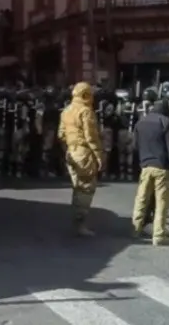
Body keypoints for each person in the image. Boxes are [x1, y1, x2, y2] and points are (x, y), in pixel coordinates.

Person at [131, 99, 169, 246]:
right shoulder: (165, 122)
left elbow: (135, 146)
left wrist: (139, 165)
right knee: (162, 203)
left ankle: (136, 229)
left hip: (145, 167)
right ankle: (158, 235)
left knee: (141, 199)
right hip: (162, 168)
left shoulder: (141, 122)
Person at [58, 82, 103, 237]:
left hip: (70, 152)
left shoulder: (66, 111)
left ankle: (77, 219)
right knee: (86, 189)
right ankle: (80, 224)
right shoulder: (86, 111)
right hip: (83, 153)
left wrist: (70, 147)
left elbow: (61, 134)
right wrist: (98, 155)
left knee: (77, 187)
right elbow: (91, 137)